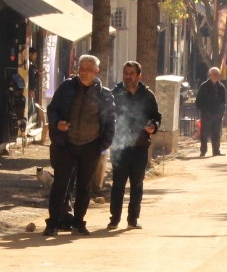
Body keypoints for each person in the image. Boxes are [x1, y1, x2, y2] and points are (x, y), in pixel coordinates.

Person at [44, 53, 114, 237]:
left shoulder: (104, 95)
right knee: (60, 184)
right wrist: (57, 122)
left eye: (88, 70)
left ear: (96, 72)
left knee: (84, 187)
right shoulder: (66, 88)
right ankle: (53, 223)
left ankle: (78, 222)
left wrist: (102, 145)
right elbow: (52, 110)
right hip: (66, 144)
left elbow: (110, 122)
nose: (84, 73)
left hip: (90, 146)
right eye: (81, 69)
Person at [109, 61, 161, 229]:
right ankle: (114, 218)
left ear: (139, 76)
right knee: (118, 184)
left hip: (140, 146)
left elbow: (156, 116)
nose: (128, 76)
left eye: (131, 73)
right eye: (126, 73)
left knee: (137, 184)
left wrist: (153, 126)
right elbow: (107, 116)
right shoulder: (115, 93)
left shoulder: (148, 95)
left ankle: (133, 219)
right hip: (120, 147)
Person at [195, 66, 227, 156]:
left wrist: (221, 112)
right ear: (210, 75)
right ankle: (203, 151)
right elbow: (199, 101)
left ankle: (216, 150)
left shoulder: (221, 87)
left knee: (216, 133)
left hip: (217, 114)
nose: (217, 76)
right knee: (204, 133)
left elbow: (223, 101)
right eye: (215, 74)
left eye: (218, 74)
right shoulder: (204, 86)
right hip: (207, 114)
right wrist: (203, 111)